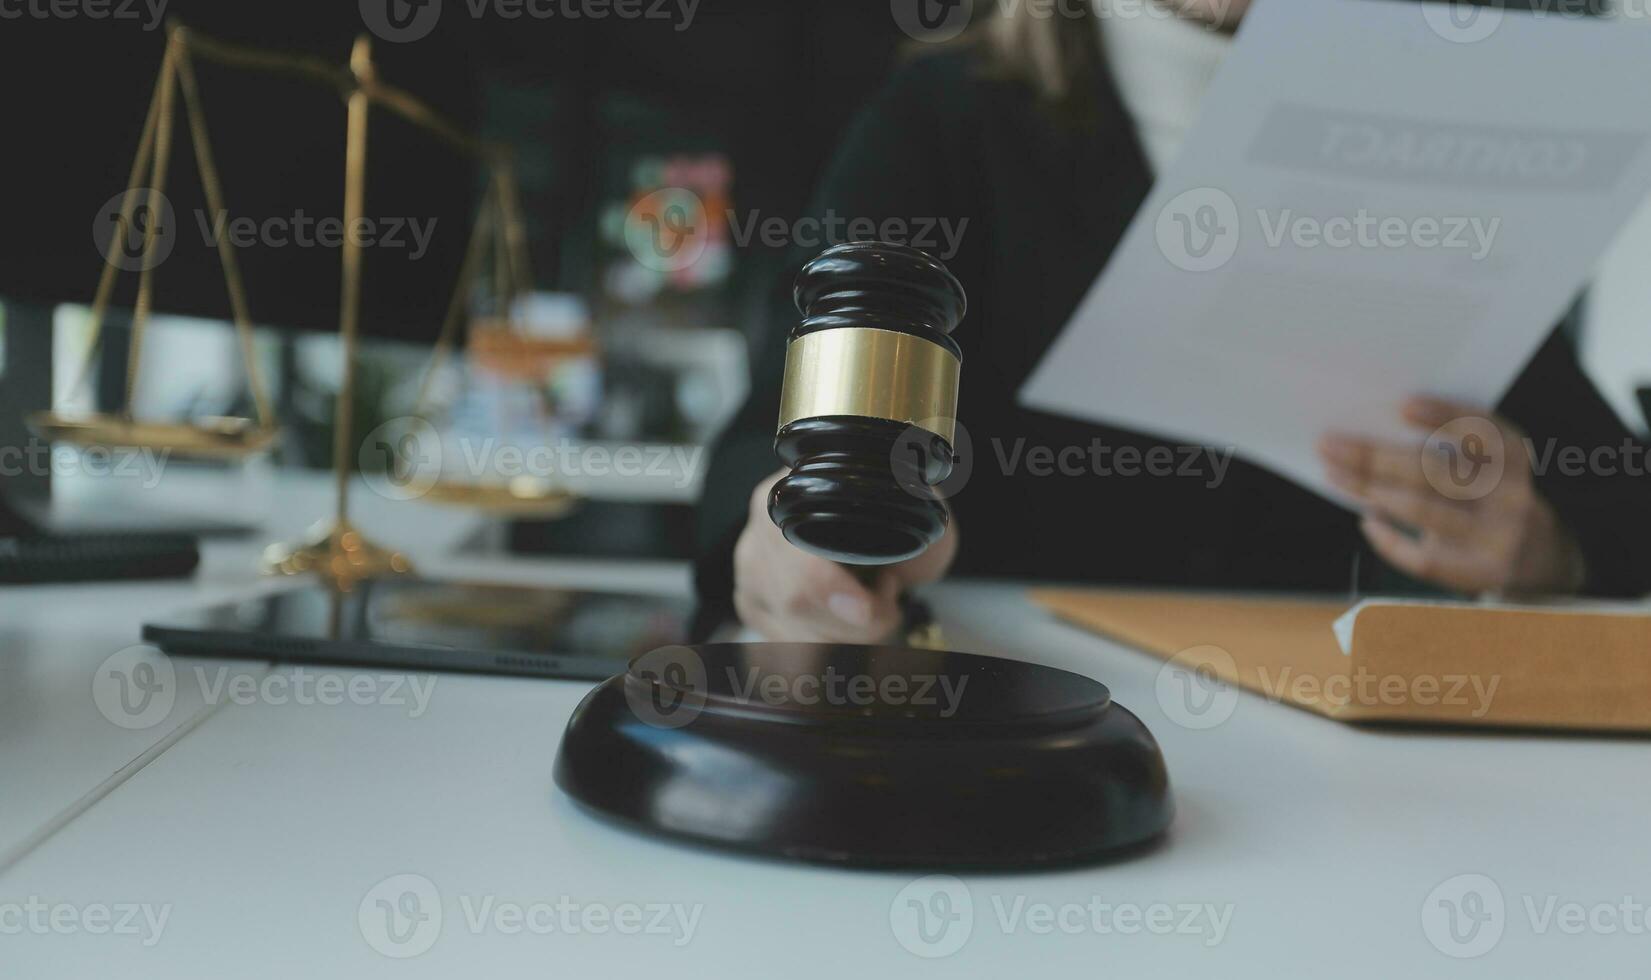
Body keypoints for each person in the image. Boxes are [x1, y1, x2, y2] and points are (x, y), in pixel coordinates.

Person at [691, 0, 1651, 643]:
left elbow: (1617, 498)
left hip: (1339, 764)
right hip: (1012, 716)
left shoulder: (1437, 141)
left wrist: (1539, 551)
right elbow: (760, 446)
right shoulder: (944, 121)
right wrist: (795, 537)